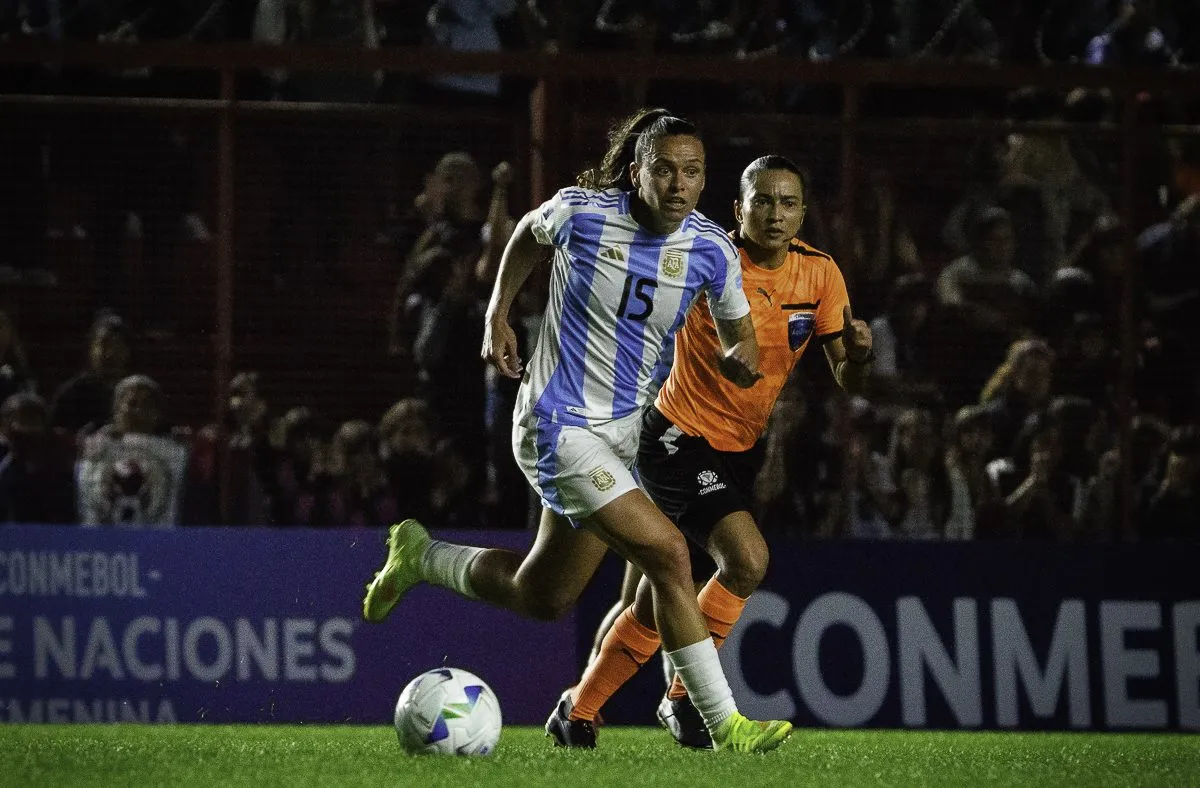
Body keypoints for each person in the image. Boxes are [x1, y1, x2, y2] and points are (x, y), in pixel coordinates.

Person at [361, 107, 792, 753]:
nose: (679, 184)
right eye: (666, 170)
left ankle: (422, 556)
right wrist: (497, 316)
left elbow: (741, 336)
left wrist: (740, 360)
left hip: (628, 433)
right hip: (557, 424)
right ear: (637, 171)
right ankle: (721, 719)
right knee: (670, 554)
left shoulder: (709, 248)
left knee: (545, 595)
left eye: (693, 172)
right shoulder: (584, 213)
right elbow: (527, 234)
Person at [562, 154, 873, 749]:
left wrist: (858, 355)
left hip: (739, 448)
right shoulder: (706, 258)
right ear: (738, 208)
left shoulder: (821, 274)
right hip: (676, 435)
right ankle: (684, 701)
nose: (775, 214)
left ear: (803, 212)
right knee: (747, 560)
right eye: (762, 201)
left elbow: (846, 378)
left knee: (653, 599)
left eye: (788, 203)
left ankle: (580, 707)